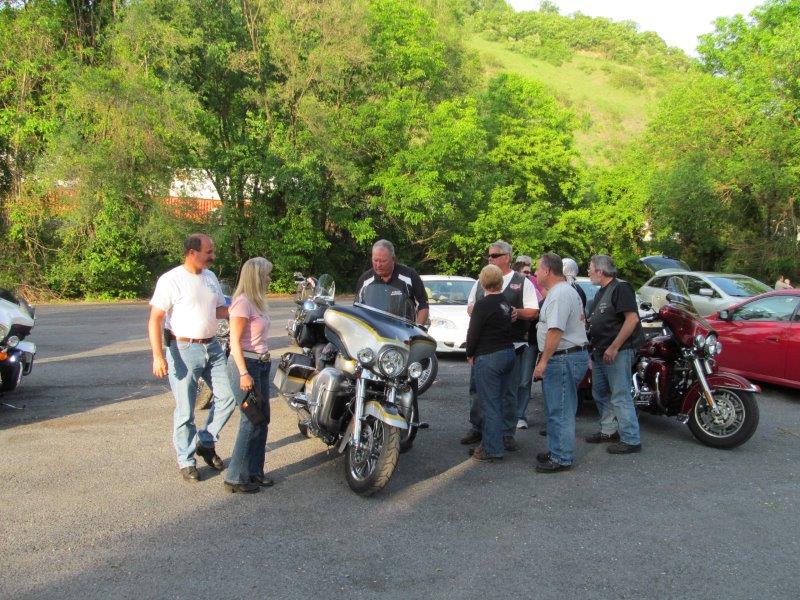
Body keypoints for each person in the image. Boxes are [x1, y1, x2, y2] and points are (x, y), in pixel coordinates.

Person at [148, 233, 236, 483]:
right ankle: (186, 461)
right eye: (209, 252)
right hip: (183, 349)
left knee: (229, 396)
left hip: (213, 347)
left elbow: (219, 310)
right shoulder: (171, 280)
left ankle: (205, 442)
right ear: (191, 253)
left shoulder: (210, 277)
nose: (213, 256)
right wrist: (158, 356)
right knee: (185, 410)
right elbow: (155, 319)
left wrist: (241, 307)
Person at [461, 241, 539, 450]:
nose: (490, 258)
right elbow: (470, 306)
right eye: (489, 255)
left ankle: (506, 433)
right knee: (477, 390)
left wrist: (516, 312)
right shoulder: (482, 280)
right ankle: (478, 427)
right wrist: (478, 310)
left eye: (495, 255)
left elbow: (533, 311)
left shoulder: (522, 282)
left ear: (507, 257)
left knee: (509, 392)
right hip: (484, 347)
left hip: (513, 345)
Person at [532, 252, 589, 473]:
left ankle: (561, 457)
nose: (536, 273)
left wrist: (543, 362)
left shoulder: (560, 294)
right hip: (564, 357)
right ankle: (556, 450)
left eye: (538, 268)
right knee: (556, 408)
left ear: (547, 271)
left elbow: (555, 330)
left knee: (561, 410)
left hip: (563, 357)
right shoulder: (561, 291)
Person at [223, 257, 274, 494]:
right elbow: (234, 342)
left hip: (261, 364)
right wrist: (244, 373)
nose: (269, 278)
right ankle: (235, 477)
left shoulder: (257, 302)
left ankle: (254, 472)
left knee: (262, 419)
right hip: (246, 365)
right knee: (250, 419)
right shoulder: (242, 303)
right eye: (266, 274)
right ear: (256, 277)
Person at [586, 254, 644, 454]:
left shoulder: (621, 288)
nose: (588, 272)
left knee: (620, 395)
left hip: (618, 351)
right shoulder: (601, 292)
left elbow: (632, 319)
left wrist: (614, 346)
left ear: (600, 271)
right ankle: (609, 430)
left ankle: (631, 439)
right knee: (600, 392)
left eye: (590, 268)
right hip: (600, 351)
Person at [465, 265, 515, 462]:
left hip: (489, 356)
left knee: (489, 405)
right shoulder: (505, 302)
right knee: (500, 401)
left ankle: (492, 449)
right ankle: (492, 442)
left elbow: (473, 332)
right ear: (501, 281)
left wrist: (470, 353)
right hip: (508, 353)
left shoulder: (482, 305)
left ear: (483, 282)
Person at [355, 239, 429, 325]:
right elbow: (357, 309)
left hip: (404, 331)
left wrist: (417, 329)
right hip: (374, 331)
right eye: (375, 260)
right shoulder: (365, 280)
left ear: (393, 259)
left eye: (383, 261)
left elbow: (423, 306)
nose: (378, 265)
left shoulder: (410, 276)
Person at [511, 255, 541, 430]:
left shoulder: (535, 287)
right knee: (511, 380)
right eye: (526, 272)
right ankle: (509, 414)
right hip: (512, 340)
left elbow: (537, 312)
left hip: (530, 341)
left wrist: (520, 313)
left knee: (524, 380)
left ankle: (520, 415)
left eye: (530, 272)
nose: (529, 275)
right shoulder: (510, 288)